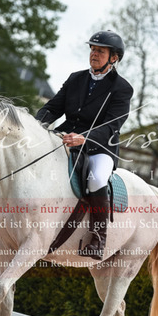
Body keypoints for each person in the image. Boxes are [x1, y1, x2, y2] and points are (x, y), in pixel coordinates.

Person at [35, 30, 133, 259]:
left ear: (114, 58)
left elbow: (112, 125)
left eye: (100, 51)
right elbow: (52, 108)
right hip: (64, 137)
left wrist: (85, 137)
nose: (94, 54)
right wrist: (35, 125)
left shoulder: (122, 88)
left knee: (96, 178)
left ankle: (98, 238)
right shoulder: (75, 78)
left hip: (99, 146)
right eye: (92, 49)